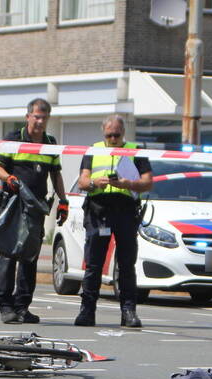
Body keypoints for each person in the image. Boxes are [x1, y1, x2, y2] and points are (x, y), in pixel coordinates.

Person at [0, 98, 69, 324]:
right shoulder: (13, 139)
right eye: (36, 116)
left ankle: (22, 306)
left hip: (36, 207)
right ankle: (6, 306)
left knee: (30, 256)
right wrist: (9, 178)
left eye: (44, 118)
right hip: (14, 205)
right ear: (28, 117)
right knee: (8, 253)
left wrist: (63, 201)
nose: (40, 121)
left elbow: (55, 174)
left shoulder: (50, 143)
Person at [74, 115, 153, 328]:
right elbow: (82, 181)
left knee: (127, 264)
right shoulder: (94, 150)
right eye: (109, 135)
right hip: (98, 211)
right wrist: (93, 183)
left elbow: (147, 182)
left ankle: (128, 312)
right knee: (94, 264)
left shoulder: (136, 150)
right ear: (103, 133)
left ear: (123, 133)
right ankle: (87, 311)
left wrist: (128, 183)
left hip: (125, 211)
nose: (113, 139)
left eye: (117, 135)